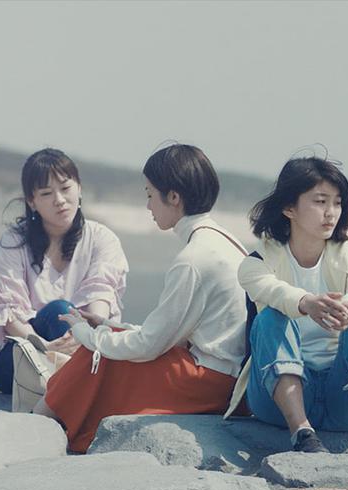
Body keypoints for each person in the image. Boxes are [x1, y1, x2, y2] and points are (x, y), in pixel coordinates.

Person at [35, 144, 247, 453]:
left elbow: (150, 345)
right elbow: (165, 334)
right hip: (225, 376)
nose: (148, 206)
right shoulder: (224, 241)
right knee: (107, 342)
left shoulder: (193, 259)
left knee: (98, 355)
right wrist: (105, 325)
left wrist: (86, 335)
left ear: (173, 197)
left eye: (150, 194)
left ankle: (40, 421)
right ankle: (54, 422)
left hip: (205, 381)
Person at [224, 156, 348, 457]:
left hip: (344, 398)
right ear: (289, 208)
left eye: (337, 203)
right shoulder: (256, 263)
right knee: (269, 319)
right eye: (320, 201)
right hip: (276, 402)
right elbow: (274, 291)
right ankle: (302, 433)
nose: (331, 212)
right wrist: (306, 303)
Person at [0, 148, 128, 395]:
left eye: (66, 188)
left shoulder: (102, 239)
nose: (59, 200)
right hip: (20, 353)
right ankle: (79, 391)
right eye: (46, 193)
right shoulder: (14, 242)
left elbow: (100, 298)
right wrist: (46, 348)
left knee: (69, 317)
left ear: (79, 189)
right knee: (61, 311)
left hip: (81, 348)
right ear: (31, 202)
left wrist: (83, 338)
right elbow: (9, 313)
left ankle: (74, 389)